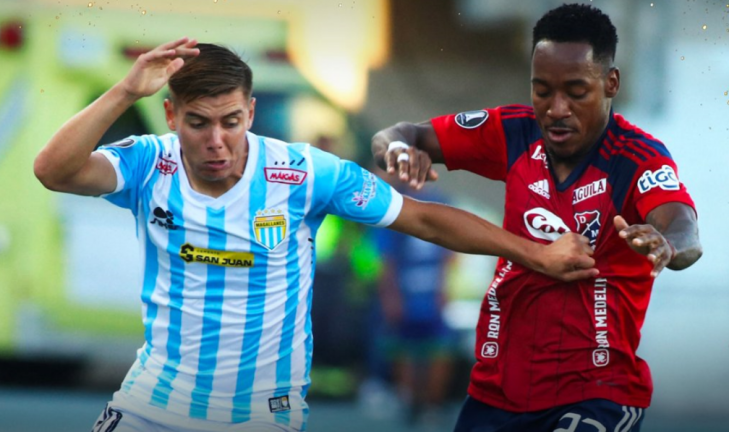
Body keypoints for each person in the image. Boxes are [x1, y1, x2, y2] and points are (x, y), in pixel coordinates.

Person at [34, 38, 597, 432]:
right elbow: (52, 171)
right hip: (151, 404)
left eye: (230, 121)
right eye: (198, 122)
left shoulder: (304, 172)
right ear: (171, 116)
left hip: (259, 414)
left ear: (251, 112)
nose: (216, 141)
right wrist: (124, 90)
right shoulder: (147, 164)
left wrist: (535, 254)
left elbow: (422, 217)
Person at [372, 4, 702, 432]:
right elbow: (399, 134)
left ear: (611, 83)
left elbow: (683, 226)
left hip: (597, 393)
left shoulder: (636, 158)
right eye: (542, 90)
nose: (556, 108)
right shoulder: (513, 132)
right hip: (497, 391)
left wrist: (667, 244)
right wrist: (398, 149)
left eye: (576, 91)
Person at [371, 183, 456, 427]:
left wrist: (445, 288)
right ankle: (409, 402)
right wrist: (390, 295)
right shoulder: (392, 204)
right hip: (405, 294)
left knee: (439, 349)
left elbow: (451, 253)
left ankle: (432, 404)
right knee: (404, 349)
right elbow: (386, 259)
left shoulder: (442, 202)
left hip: (432, 293)